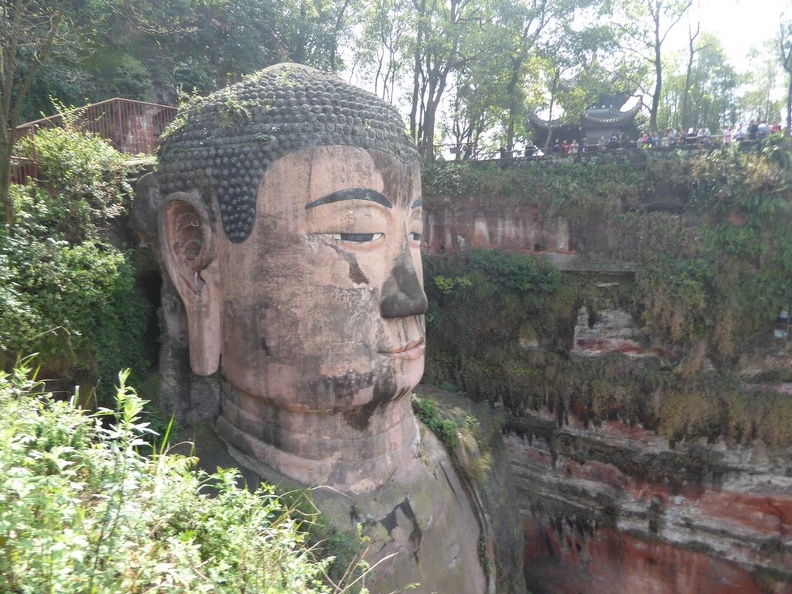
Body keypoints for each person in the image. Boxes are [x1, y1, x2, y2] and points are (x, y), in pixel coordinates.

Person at [149, 63, 488, 594]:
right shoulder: (188, 550)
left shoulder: (471, 456)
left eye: (415, 235)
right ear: (194, 256)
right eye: (357, 232)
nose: (412, 296)